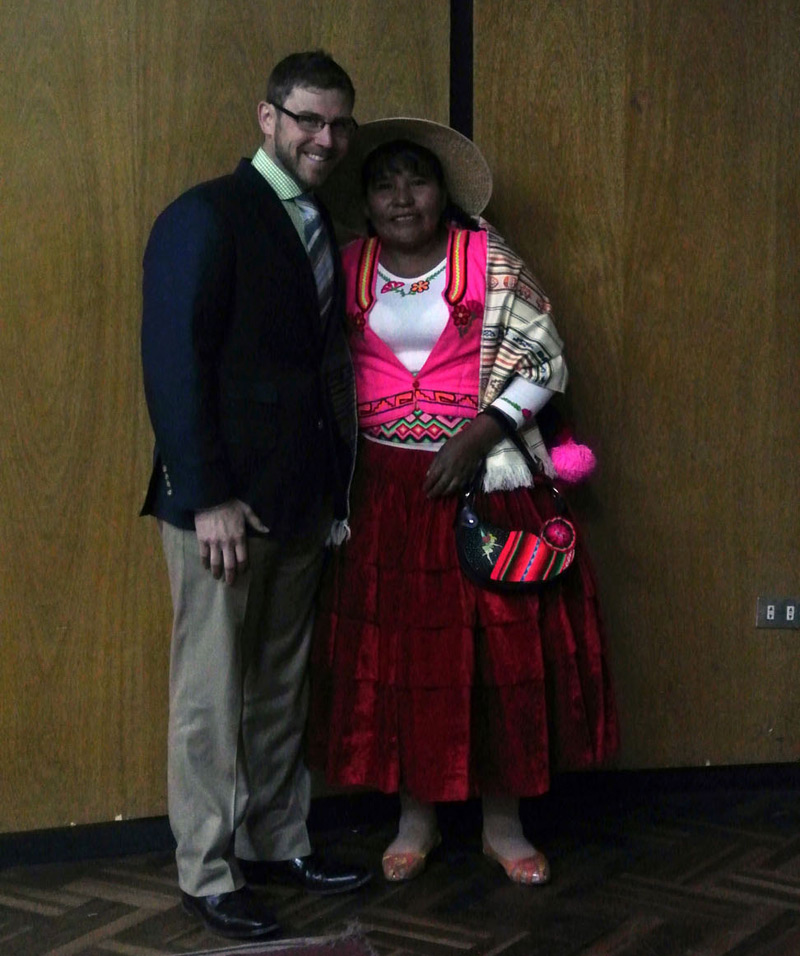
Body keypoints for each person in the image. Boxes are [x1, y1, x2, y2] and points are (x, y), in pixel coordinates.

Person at [309, 118, 619, 886]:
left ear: (442, 193)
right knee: (403, 657)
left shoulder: (487, 261)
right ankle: (415, 820)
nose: (401, 197)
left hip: (482, 485)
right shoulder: (345, 267)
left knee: (495, 657)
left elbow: (543, 361)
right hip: (382, 494)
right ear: (364, 201)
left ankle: (502, 826)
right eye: (384, 185)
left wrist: (476, 438)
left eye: (417, 180)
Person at [140, 51, 371, 941]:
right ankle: (207, 872)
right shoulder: (205, 214)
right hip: (223, 509)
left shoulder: (323, 221)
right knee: (210, 694)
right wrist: (207, 497)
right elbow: (173, 363)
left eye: (339, 123)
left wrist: (334, 490)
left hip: (301, 500)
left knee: (278, 685)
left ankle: (276, 842)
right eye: (308, 118)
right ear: (267, 118)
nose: (325, 138)